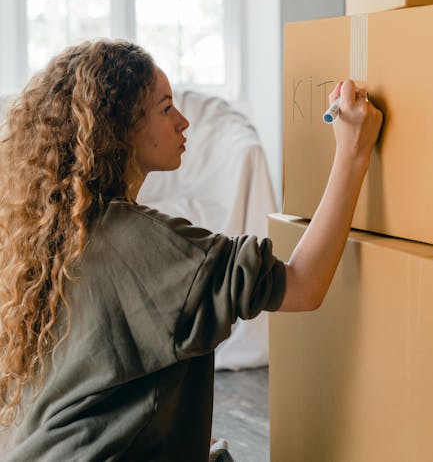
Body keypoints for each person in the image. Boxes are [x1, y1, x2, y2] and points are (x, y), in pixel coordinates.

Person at [0, 39, 383, 461]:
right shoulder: (144, 244)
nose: (183, 122)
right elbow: (303, 285)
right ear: (121, 128)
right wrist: (353, 150)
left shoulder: (55, 235)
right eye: (166, 109)